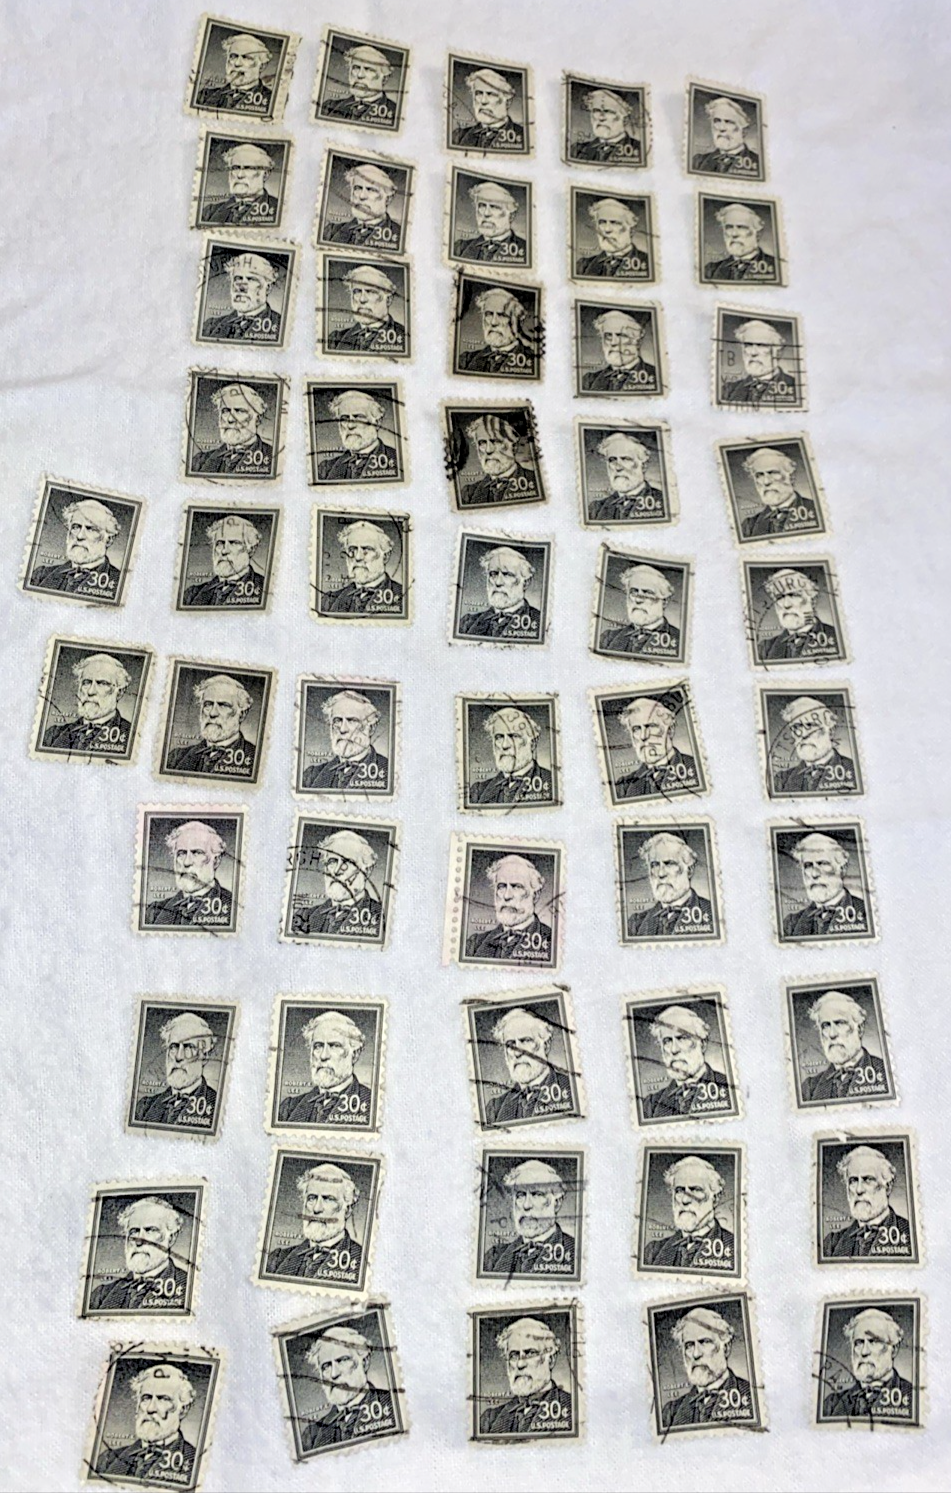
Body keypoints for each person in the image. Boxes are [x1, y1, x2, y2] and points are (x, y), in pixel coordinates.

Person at [96, 1363, 196, 1480]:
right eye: (146, 1398)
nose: (150, 1409)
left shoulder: (195, 1462)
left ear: (183, 1410)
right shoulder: (107, 1460)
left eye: (163, 1399)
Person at [302, 1326, 396, 1448]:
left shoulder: (395, 1406)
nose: (334, 1374)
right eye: (326, 1366)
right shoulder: (311, 1436)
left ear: (365, 1362)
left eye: (342, 1360)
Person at [89, 1197, 187, 1312]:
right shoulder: (101, 1295)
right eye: (134, 1231)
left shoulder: (188, 1288)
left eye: (150, 1230)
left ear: (171, 1239)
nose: (139, 1241)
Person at [266, 1163, 363, 1278]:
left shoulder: (362, 1262)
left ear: (347, 1210)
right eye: (312, 1198)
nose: (316, 1209)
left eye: (328, 1199)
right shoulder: (277, 1260)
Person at [479, 1318, 572, 1435]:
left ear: (551, 1360)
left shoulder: (573, 1409)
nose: (520, 1364)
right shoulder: (489, 1420)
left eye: (530, 1353)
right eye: (514, 1355)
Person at [278, 1010, 372, 1125]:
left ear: (355, 1054)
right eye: (318, 1046)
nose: (323, 1056)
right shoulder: (289, 1108)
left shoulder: (372, 1104)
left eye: (334, 1046)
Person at [662, 1308, 753, 1427]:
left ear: (726, 1348)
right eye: (689, 1345)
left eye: (705, 1342)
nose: (696, 1354)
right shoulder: (670, 1412)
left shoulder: (752, 1398)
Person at [483, 1159, 575, 1276]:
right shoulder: (494, 1257)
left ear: (557, 1203)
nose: (526, 1205)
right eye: (520, 1195)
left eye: (537, 1194)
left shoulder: (576, 1253)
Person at [485, 1007, 573, 1124]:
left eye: (526, 1041)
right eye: (510, 1044)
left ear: (546, 1045)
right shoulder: (495, 1109)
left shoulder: (572, 1090)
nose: (517, 1053)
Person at [644, 1157, 734, 1270]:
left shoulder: (735, 1249)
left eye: (695, 1190)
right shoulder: (653, 1252)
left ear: (715, 1198)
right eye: (679, 1190)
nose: (685, 1200)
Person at [822, 1308, 914, 1419]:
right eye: (859, 1343)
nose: (864, 1352)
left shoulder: (914, 1397)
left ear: (894, 1349)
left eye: (873, 1341)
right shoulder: (831, 1404)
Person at [642, 1005, 731, 1119]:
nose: (674, 1049)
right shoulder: (650, 1105)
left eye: (683, 1038)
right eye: (667, 1041)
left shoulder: (730, 1089)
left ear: (702, 1044)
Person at [291, 828, 383, 938]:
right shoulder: (304, 916)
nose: (336, 871)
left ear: (367, 871)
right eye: (332, 861)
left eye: (348, 862)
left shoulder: (382, 918)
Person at [822, 1146, 912, 1258]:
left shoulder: (910, 1235)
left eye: (868, 1179)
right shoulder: (832, 1244)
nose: (859, 1190)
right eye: (853, 1180)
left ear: (888, 1187)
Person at [134, 1011, 219, 1128]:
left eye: (189, 1047)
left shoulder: (217, 1106)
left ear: (204, 1057)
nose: (178, 1057)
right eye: (173, 1047)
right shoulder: (144, 1107)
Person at [802, 990, 889, 1102]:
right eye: (826, 1025)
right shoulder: (809, 1088)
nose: (832, 1034)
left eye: (840, 1023)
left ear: (860, 1029)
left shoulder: (886, 1073)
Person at [166, 674, 256, 778]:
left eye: (223, 705)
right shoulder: (176, 757)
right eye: (208, 704)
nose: (212, 713)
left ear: (242, 714)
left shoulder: (255, 758)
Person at [145, 820, 232, 927]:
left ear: (216, 861)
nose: (186, 862)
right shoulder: (153, 913)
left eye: (197, 853)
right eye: (181, 854)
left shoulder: (233, 908)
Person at [465, 854, 552, 961]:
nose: (507, 896)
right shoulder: (474, 944)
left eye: (517, 887)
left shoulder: (552, 943)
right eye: (501, 887)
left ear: (535, 895)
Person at [30, 497, 122, 598]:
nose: (79, 536)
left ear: (109, 540)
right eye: (75, 527)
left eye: (91, 529)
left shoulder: (120, 583)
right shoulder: (41, 575)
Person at [42, 652, 132, 754]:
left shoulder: (131, 736)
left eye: (102, 683)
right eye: (86, 682)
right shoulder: (53, 735)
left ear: (119, 692)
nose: (90, 691)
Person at [613, 693, 699, 799]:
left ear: (670, 730)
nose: (643, 736)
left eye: (651, 726)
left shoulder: (697, 769)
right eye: (637, 729)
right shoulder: (623, 787)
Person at [783, 831, 868, 938]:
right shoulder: (791, 924)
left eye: (823, 863)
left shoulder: (867, 913)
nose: (814, 874)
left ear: (842, 869)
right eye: (808, 865)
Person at [628, 832, 713, 939]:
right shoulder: (636, 924)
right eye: (654, 865)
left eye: (669, 863)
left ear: (690, 870)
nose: (661, 873)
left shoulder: (713, 914)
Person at [302, 690, 389, 792]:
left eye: (352, 720)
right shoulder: (311, 776)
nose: (343, 729)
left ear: (371, 728)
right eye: (337, 721)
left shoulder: (390, 772)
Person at [469, 706, 551, 806]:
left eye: (514, 736)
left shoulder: (552, 783)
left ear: (533, 743)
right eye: (499, 737)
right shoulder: (478, 792)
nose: (505, 745)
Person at [775, 696, 857, 795]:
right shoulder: (781, 780)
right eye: (796, 727)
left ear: (831, 731)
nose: (803, 734)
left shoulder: (855, 771)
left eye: (811, 725)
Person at [183, 513, 265, 607]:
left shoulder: (265, 589)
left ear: (251, 550)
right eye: (220, 543)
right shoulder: (192, 594)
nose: (224, 551)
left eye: (234, 543)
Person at [458, 545, 540, 640]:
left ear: (525, 582)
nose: (498, 582)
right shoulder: (467, 623)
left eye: (507, 574)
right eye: (493, 574)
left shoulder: (541, 622)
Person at [323, 519, 403, 615]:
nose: (358, 557)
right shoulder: (328, 601)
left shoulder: (404, 597)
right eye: (352, 550)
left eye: (366, 550)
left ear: (385, 556)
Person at [191, 382, 272, 476]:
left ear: (257, 419)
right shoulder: (200, 461)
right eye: (225, 411)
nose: (230, 419)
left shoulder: (274, 457)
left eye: (239, 411)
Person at [316, 391, 399, 482]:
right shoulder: (325, 469)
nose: (350, 425)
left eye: (359, 417)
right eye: (344, 418)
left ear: (377, 423)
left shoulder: (398, 461)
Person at [738, 446, 818, 538]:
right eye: (759, 475)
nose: (766, 482)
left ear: (791, 477)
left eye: (773, 473)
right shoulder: (749, 526)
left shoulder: (817, 511)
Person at [600, 563, 678, 657]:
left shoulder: (680, 640)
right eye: (634, 592)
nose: (638, 600)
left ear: (664, 602)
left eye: (647, 593)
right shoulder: (608, 638)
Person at [760, 569, 839, 661]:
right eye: (779, 597)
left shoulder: (838, 639)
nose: (786, 604)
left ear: (813, 600)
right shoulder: (764, 649)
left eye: (794, 595)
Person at [201, 251, 281, 341]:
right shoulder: (210, 327)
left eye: (251, 279)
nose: (241, 287)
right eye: (238, 278)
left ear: (268, 288)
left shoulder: (281, 326)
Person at [328, 263, 405, 354]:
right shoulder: (335, 340)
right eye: (357, 291)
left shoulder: (406, 337)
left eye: (371, 292)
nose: (362, 299)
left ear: (388, 300)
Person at [324, 163, 402, 251]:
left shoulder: (401, 236)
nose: (362, 196)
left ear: (388, 199)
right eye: (358, 188)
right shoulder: (331, 231)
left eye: (371, 190)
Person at [461, 415, 537, 506]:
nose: (488, 450)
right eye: (482, 443)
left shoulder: (535, 481)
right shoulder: (468, 493)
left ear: (514, 446)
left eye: (496, 441)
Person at [458, 287, 535, 376]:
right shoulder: (466, 360)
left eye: (502, 315)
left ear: (518, 322)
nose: (493, 322)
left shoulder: (534, 361)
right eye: (489, 314)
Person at [588, 431, 663, 522]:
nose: (618, 467)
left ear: (643, 466)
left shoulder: (664, 501)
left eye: (626, 459)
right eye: (612, 460)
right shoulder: (596, 509)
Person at [722, 319, 797, 405]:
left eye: (761, 345)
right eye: (748, 345)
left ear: (778, 351)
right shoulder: (728, 390)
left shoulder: (796, 387)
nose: (753, 353)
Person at [321, 43, 398, 127]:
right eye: (356, 68)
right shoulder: (329, 107)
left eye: (368, 69)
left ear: (384, 79)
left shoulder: (396, 113)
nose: (360, 75)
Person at [196, 30, 273, 114]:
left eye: (246, 57)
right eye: (233, 56)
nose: (237, 63)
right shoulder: (204, 96)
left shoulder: (272, 101)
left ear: (262, 66)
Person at [203, 141, 279, 225]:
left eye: (248, 168)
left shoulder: (280, 210)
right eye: (235, 168)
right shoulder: (209, 212)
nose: (240, 175)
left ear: (265, 174)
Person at [582, 309, 656, 392]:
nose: (613, 342)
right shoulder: (588, 381)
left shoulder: (657, 376)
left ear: (638, 340)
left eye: (621, 335)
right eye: (608, 335)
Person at [454, 180, 526, 264]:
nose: (486, 213)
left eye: (494, 207)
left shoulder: (526, 250)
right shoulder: (460, 248)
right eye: (482, 206)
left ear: (511, 216)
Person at [576, 197, 649, 279]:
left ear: (632, 230)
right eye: (602, 222)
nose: (607, 230)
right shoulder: (582, 266)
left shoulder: (649, 263)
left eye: (615, 223)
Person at [454, 68, 523, 151]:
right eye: (479, 93)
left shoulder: (524, 137)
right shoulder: (457, 136)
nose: (483, 101)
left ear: (508, 102)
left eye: (491, 94)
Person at [704, 202, 776, 280]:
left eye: (741, 227)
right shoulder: (710, 270)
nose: (734, 234)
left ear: (758, 234)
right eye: (729, 227)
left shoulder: (776, 267)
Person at [692, 95, 760, 176]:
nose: (721, 128)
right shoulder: (698, 162)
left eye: (728, 122)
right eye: (717, 121)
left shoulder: (758, 164)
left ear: (744, 131)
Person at [573, 88, 642, 163]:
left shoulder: (641, 149)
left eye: (608, 111)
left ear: (625, 119)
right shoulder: (576, 150)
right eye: (596, 110)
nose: (601, 118)